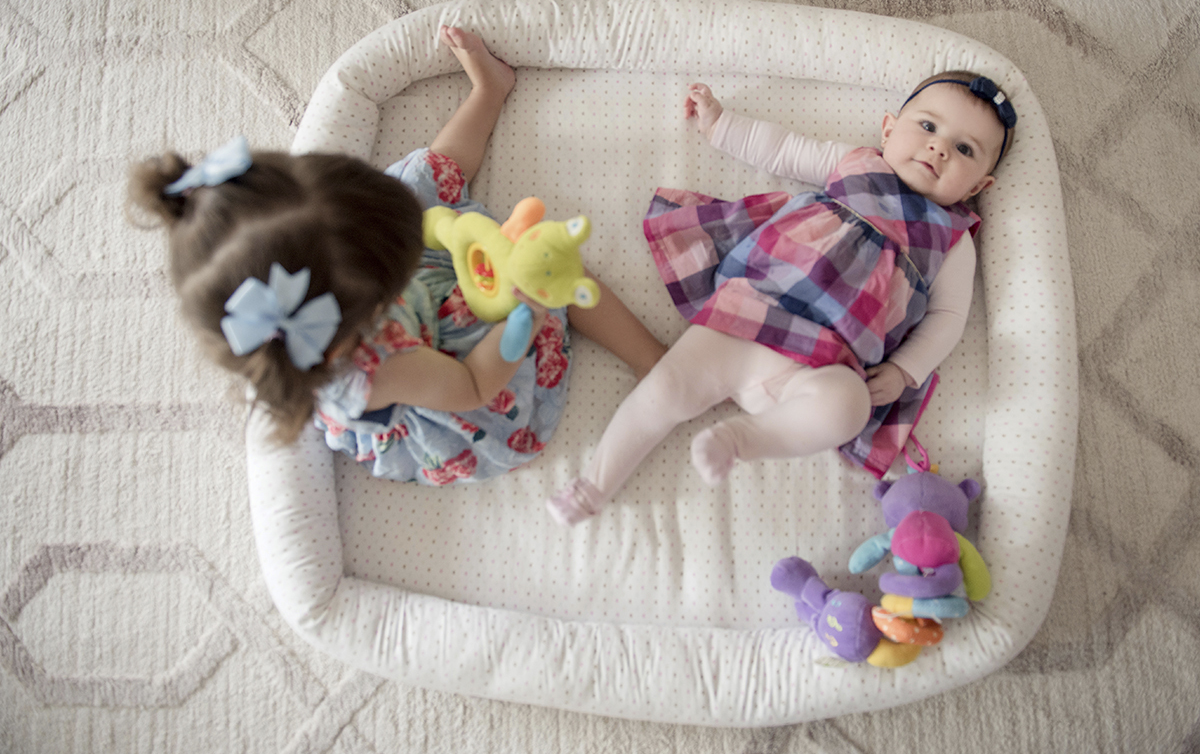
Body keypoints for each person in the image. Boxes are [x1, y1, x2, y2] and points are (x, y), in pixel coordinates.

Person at [128, 26, 666, 486]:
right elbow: (474, 387)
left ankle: (490, 90)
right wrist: (521, 314)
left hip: (390, 297)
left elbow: (398, 209)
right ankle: (656, 365)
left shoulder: (310, 250)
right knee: (552, 276)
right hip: (460, 379)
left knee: (424, 180)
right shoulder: (373, 370)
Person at [548, 72, 1016, 525]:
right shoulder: (855, 162)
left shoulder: (954, 240)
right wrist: (720, 123)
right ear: (889, 129)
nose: (938, 148)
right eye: (929, 126)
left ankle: (744, 438)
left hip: (827, 363)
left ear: (978, 188)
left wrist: (902, 371)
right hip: (752, 309)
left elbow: (949, 319)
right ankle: (593, 485)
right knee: (667, 386)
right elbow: (785, 150)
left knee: (847, 407)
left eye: (964, 149)